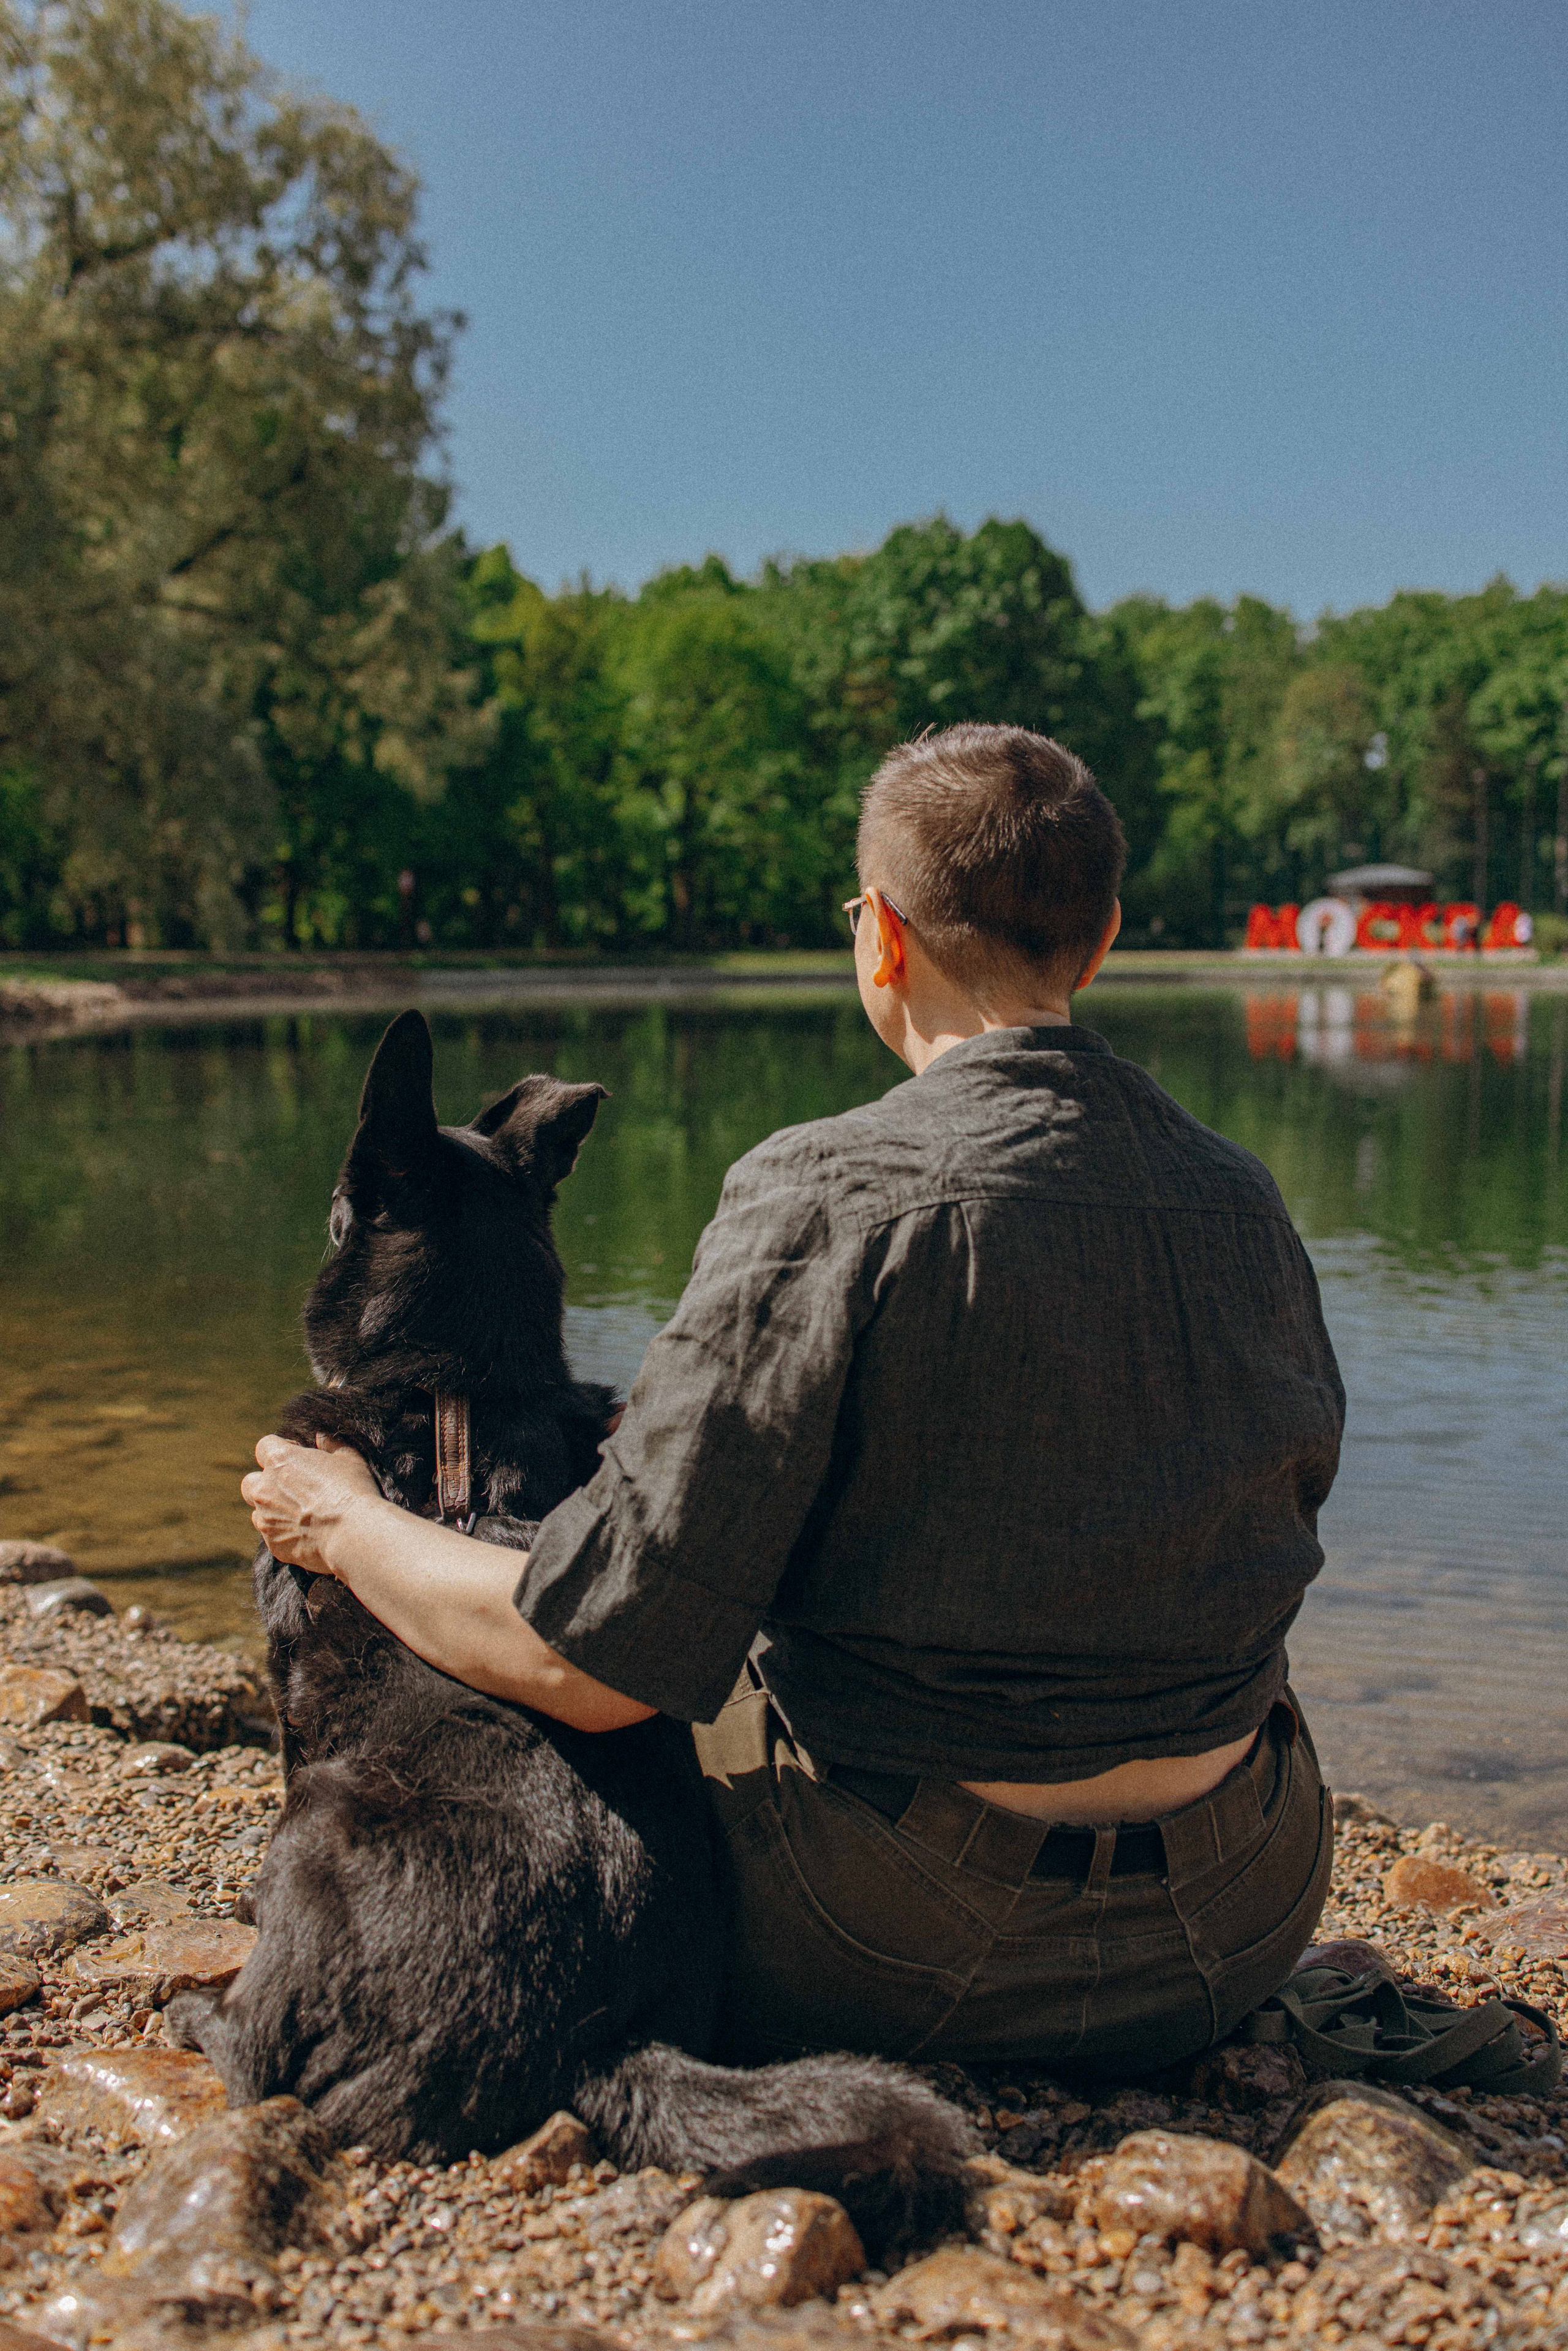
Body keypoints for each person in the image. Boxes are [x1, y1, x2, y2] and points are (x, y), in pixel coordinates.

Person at [244, 722, 1344, 2077]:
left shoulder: (825, 1187)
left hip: (912, 1951)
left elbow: (579, 1668)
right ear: (1102, 937)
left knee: (624, 1682)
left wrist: (341, 1519)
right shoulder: (1242, 1195)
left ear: (880, 935)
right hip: (1241, 1915)